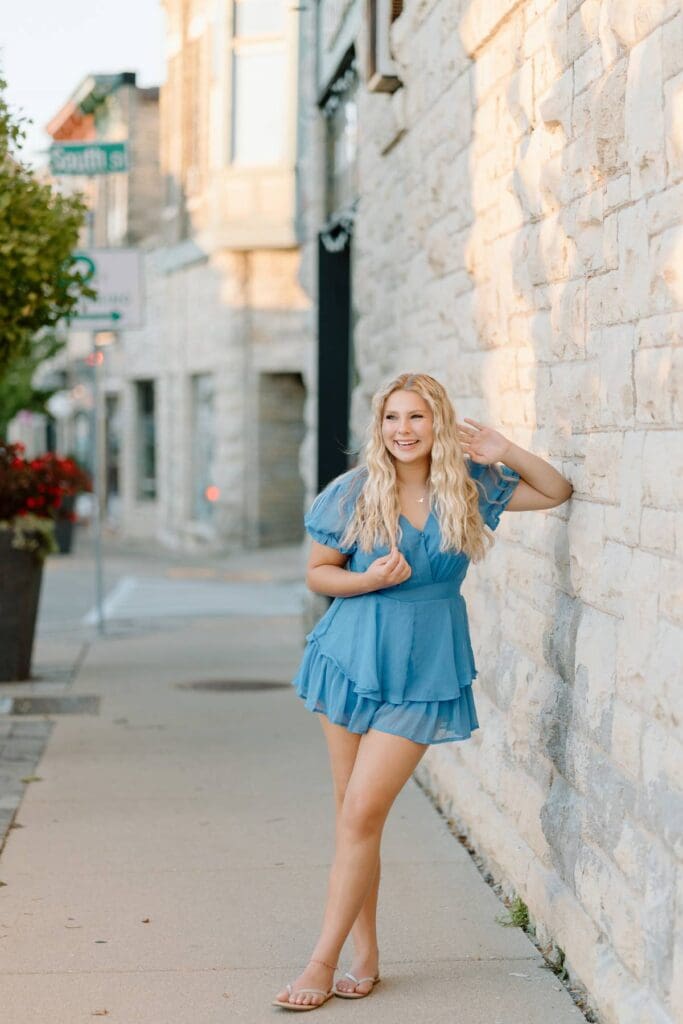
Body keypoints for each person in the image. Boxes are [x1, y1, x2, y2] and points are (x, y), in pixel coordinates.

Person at [273, 371, 573, 1010]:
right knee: (355, 818)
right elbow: (319, 576)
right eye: (391, 419)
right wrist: (371, 580)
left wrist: (505, 450)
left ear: (438, 422)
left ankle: (318, 962)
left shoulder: (469, 487)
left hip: (426, 667)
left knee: (361, 813)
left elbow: (556, 490)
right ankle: (364, 953)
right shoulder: (353, 492)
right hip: (349, 657)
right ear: (378, 427)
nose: (403, 431)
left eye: (416, 417)